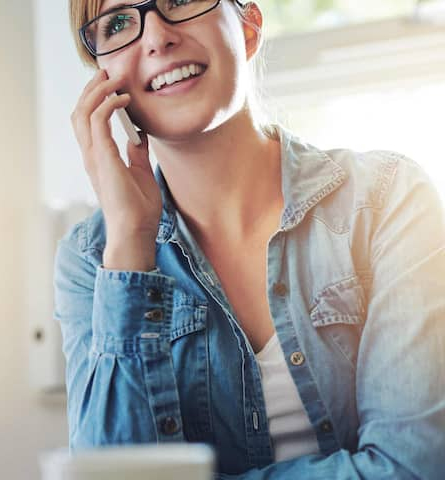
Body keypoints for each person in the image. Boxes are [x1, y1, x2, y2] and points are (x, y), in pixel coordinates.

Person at [54, 0, 445, 478]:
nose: (157, 36)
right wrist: (131, 242)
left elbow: (413, 467)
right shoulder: (93, 259)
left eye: (180, 0)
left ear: (249, 27)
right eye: (117, 23)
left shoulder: (389, 200)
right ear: (103, 82)